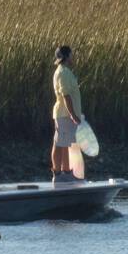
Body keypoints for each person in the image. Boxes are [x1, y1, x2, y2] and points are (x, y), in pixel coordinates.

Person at [51, 46, 84, 182]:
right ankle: (58, 174)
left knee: (65, 143)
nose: (73, 57)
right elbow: (66, 95)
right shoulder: (63, 73)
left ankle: (66, 172)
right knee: (59, 144)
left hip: (66, 114)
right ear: (66, 57)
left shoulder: (66, 72)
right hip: (64, 114)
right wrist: (72, 114)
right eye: (71, 55)